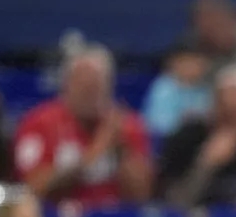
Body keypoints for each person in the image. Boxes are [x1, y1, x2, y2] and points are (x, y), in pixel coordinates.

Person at [13, 44, 153, 207]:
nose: (90, 97)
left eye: (95, 88)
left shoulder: (127, 125)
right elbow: (31, 188)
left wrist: (122, 150)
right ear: (66, 85)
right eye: (83, 89)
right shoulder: (38, 123)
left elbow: (142, 196)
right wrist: (93, 153)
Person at [157, 64, 236, 210]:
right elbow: (172, 205)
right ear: (216, 102)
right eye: (229, 107)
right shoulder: (187, 137)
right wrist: (206, 165)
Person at [142, 40, 213, 139]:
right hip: (167, 143)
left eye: (198, 62)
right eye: (188, 62)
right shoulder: (164, 88)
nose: (194, 67)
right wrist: (183, 120)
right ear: (174, 63)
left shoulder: (206, 89)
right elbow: (156, 124)